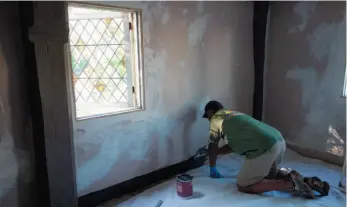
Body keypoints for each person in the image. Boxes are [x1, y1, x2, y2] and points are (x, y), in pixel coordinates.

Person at [200, 100, 329, 199]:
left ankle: (292, 185)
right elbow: (230, 147)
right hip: (278, 141)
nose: (208, 120)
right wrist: (210, 153)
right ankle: (306, 181)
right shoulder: (233, 116)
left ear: (211, 112)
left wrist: (212, 167)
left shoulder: (216, 119)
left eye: (208, 117)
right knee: (269, 176)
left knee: (244, 185)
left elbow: (213, 146)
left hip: (265, 147)